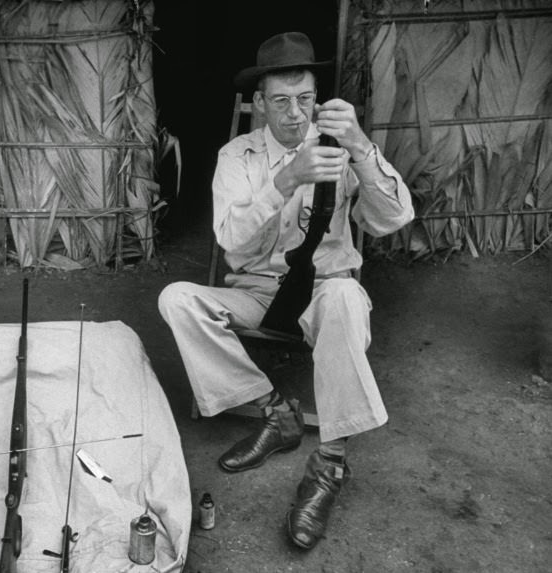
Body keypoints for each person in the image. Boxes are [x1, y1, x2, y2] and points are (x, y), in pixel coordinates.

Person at [158, 31, 414, 549]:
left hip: (323, 290)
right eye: (280, 101)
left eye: (305, 100)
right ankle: (276, 412)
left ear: (316, 100)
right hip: (255, 291)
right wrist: (286, 180)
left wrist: (362, 147)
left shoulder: (343, 150)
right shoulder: (237, 156)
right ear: (259, 104)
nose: (296, 114)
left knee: (344, 298)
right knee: (177, 299)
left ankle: (329, 468)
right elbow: (230, 241)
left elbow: (392, 220)